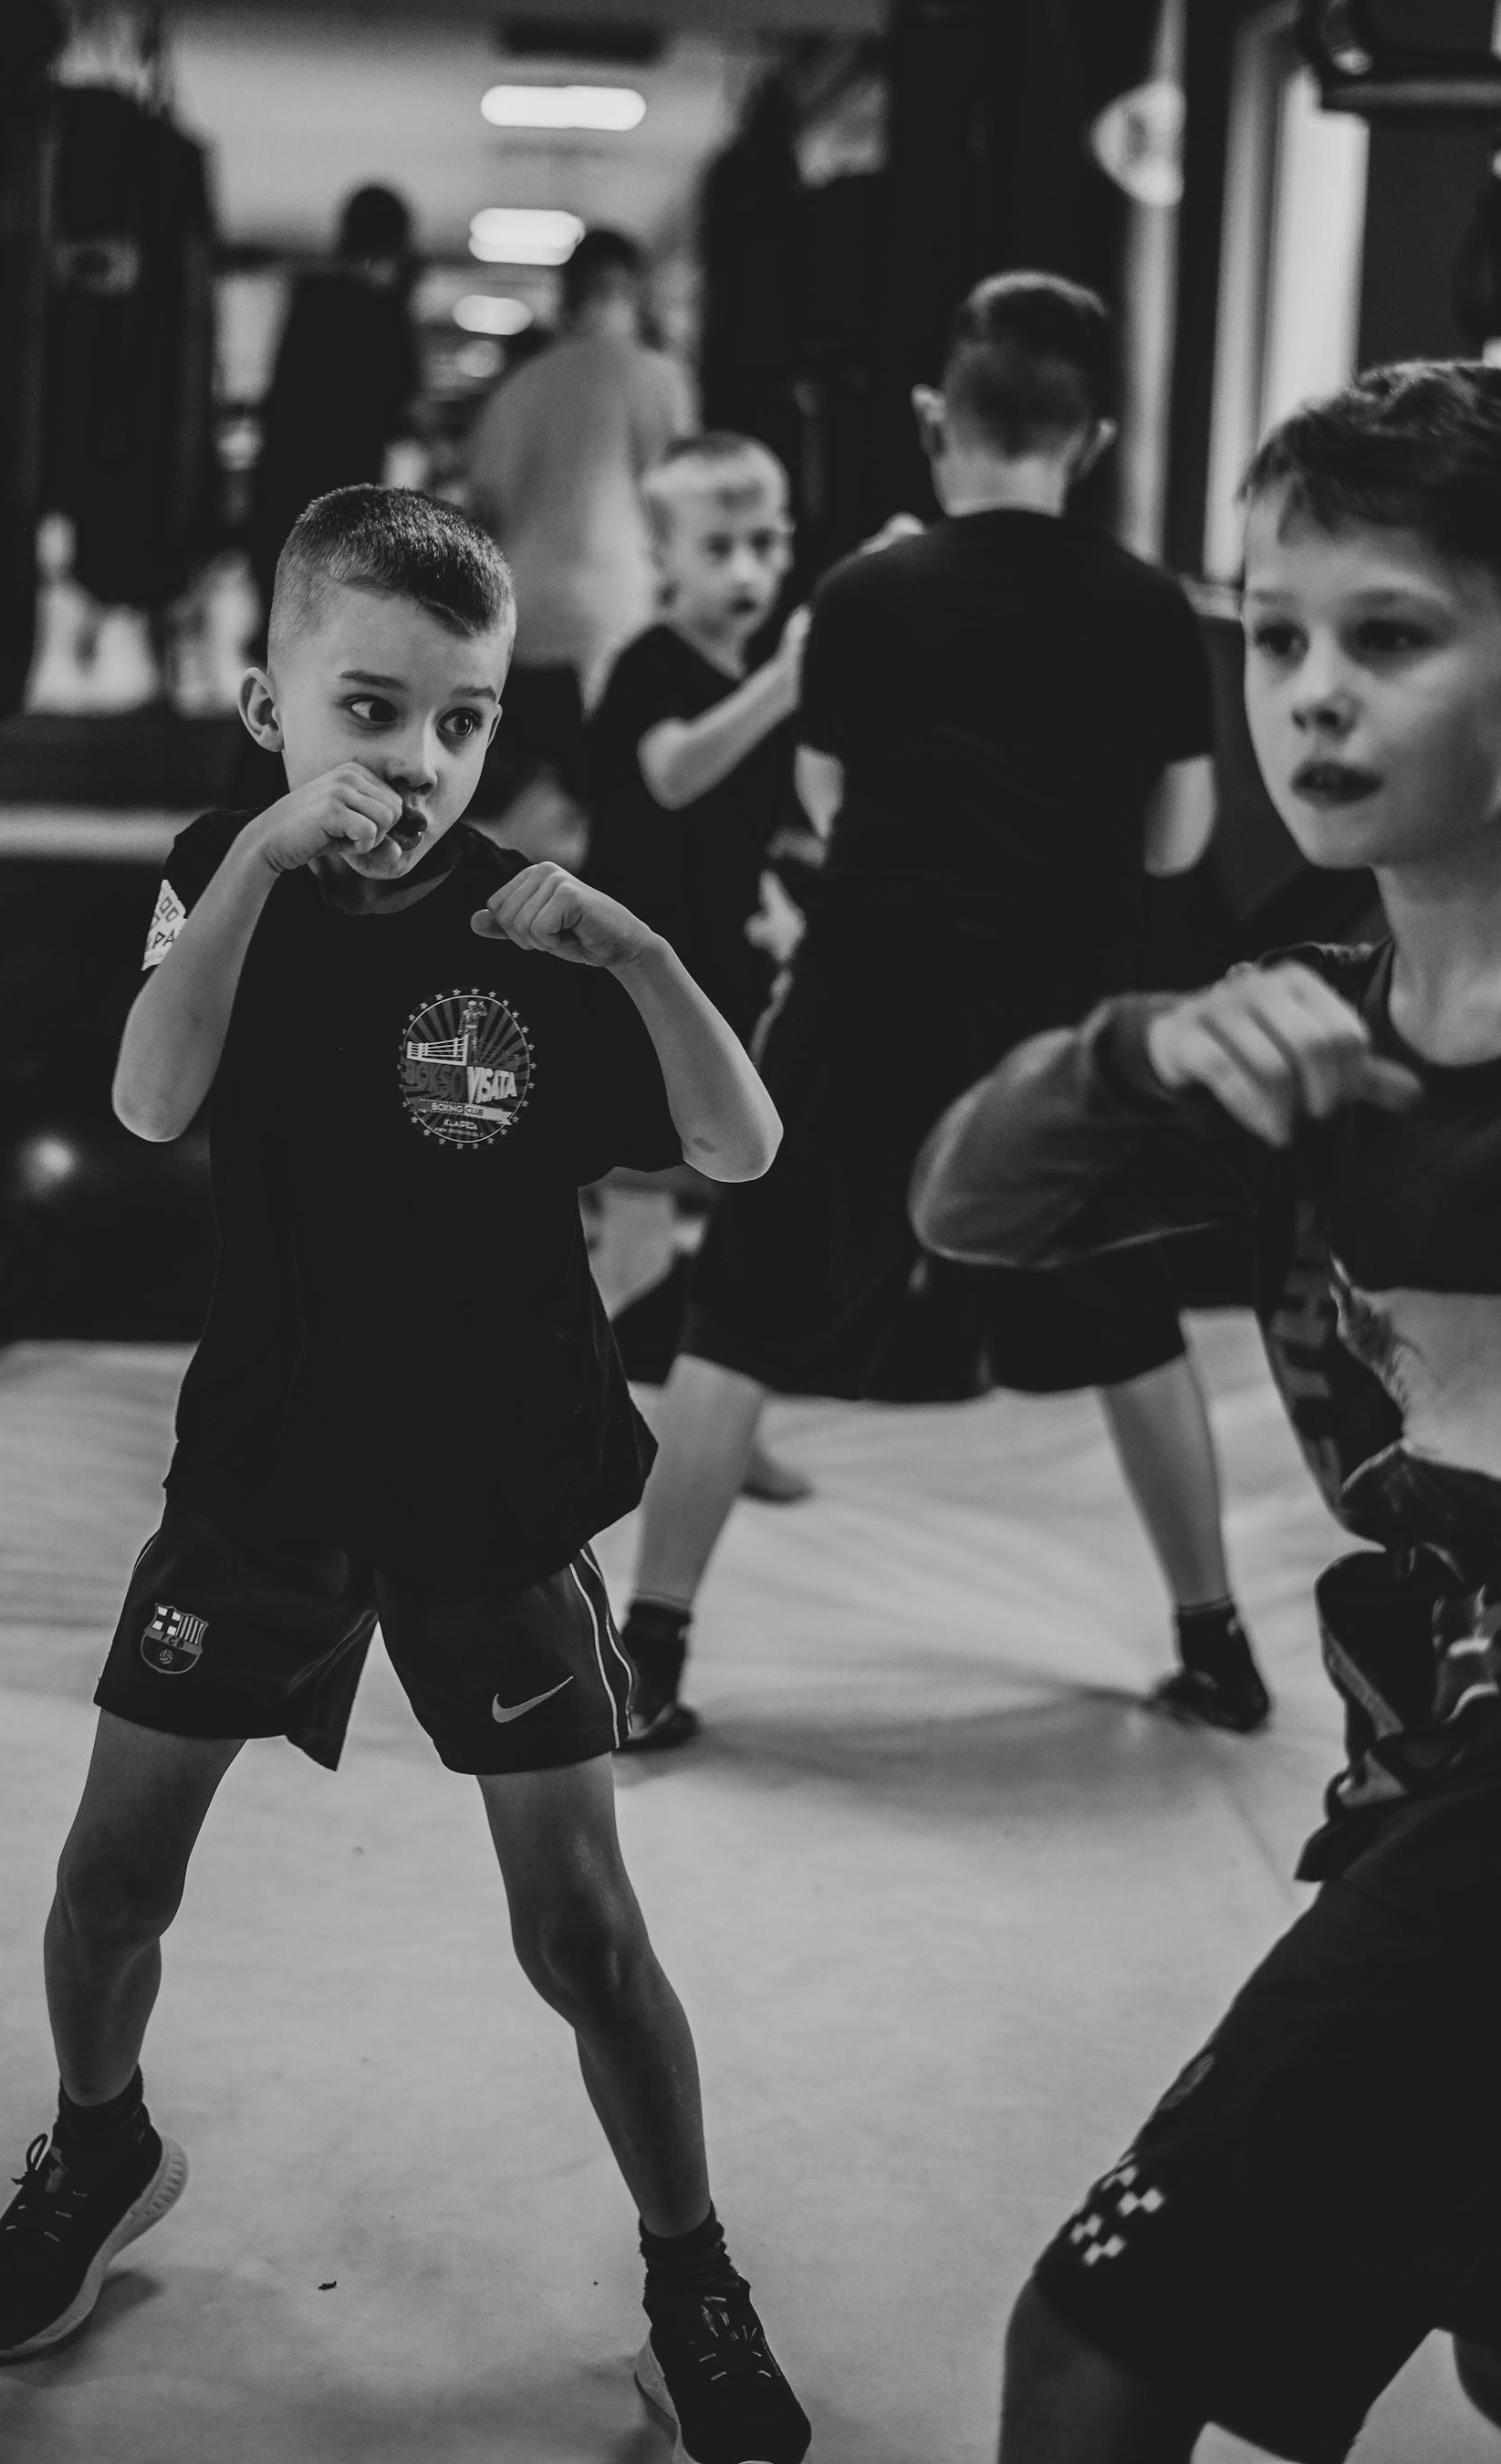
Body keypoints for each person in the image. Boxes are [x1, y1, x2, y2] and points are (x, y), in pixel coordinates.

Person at [0, 487, 812, 2464]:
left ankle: (690, 2268)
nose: (415, 765)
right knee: (107, 1883)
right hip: (263, 1462)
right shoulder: (213, 871)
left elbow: (745, 1147)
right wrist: (253, 859)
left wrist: (641, 946)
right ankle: (101, 2146)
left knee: (582, 1936)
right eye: (370, 709)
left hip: (492, 1477)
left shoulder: (533, 923)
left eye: (463, 720)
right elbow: (152, 1096)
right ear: (268, 706)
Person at [910, 358, 1501, 2464]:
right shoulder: (1305, 977)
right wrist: (1138, 1052)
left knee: (1096, 2344)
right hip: (1420, 1728)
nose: (1309, 696)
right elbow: (963, 1210)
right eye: (1271, 639)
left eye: (1390, 637)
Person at [616, 272, 1265, 1752]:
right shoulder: (1150, 607)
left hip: (868, 997)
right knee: (1128, 1324)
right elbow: (1174, 845)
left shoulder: (861, 595)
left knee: (742, 1315)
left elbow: (830, 804)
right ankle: (1216, 1644)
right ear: (1090, 439)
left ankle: (646, 1658)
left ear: (933, 421)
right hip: (1058, 1019)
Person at [582, 430, 817, 1502]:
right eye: (719, 546)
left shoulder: (757, 680)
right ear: (664, 556)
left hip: (729, 956)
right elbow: (673, 776)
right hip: (633, 970)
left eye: (767, 543)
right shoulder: (650, 666)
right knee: (634, 1184)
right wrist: (782, 682)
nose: (748, 571)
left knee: (746, 1190)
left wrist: (781, 900)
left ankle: (710, 1416)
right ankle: (601, 1418)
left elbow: (759, 820)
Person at [464, 227, 692, 857]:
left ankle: (519, 911)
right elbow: (679, 497)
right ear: (633, 293)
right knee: (611, 793)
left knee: (542, 778)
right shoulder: (659, 379)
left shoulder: (523, 385)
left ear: (567, 294)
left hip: (530, 614)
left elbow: (488, 502)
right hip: (624, 614)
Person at [248, 183, 422, 629]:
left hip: (284, 493)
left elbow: (282, 400)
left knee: (284, 624)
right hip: (348, 505)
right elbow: (408, 408)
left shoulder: (310, 299)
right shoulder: (388, 315)